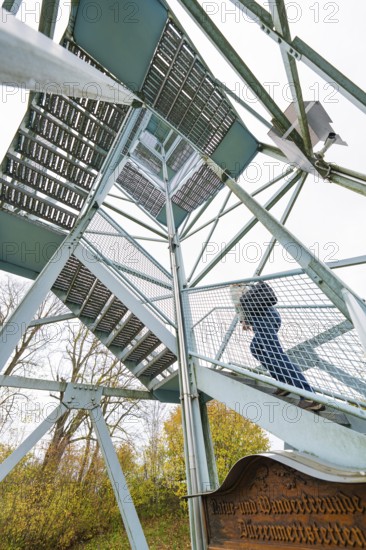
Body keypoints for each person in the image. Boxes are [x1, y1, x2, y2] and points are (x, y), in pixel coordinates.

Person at [230, 282, 324, 411]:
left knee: (276, 354)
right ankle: (283, 382)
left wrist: (243, 320)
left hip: (262, 319)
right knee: (256, 349)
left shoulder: (234, 288)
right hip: (271, 316)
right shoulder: (247, 285)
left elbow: (238, 304)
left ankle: (308, 396)